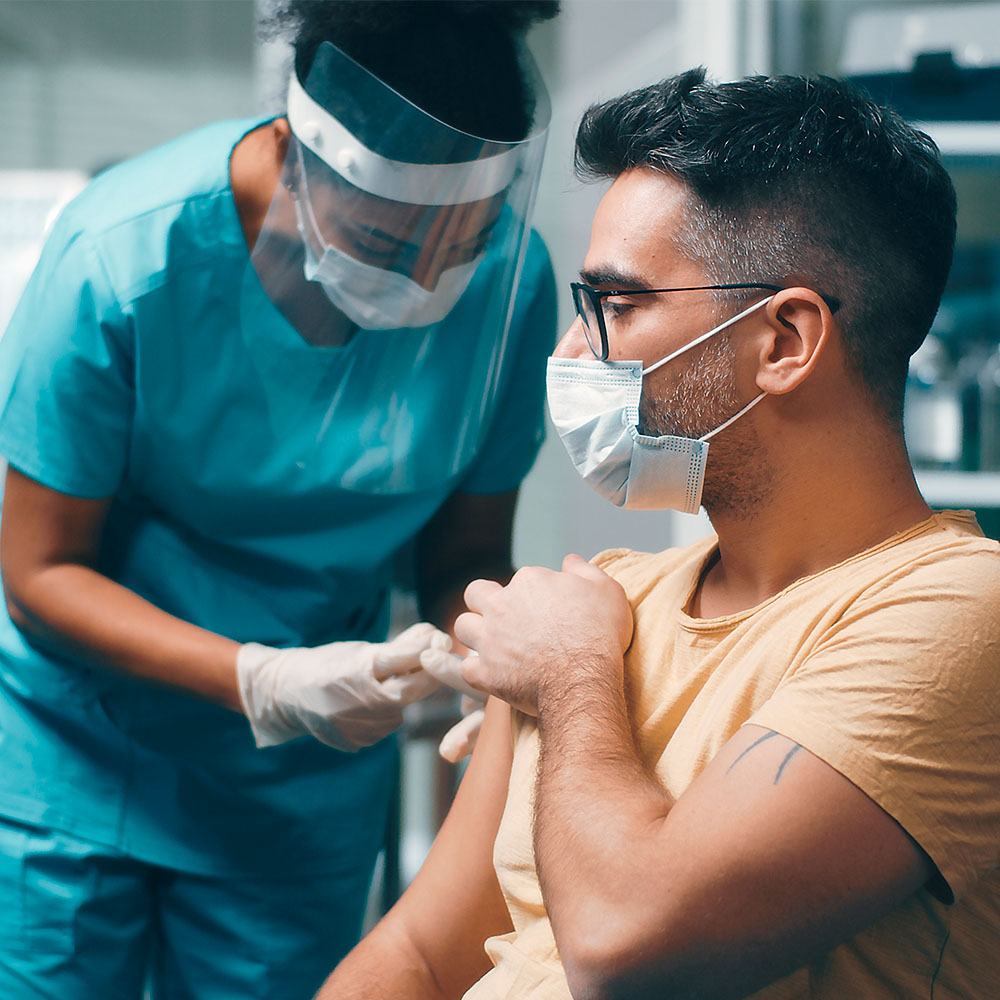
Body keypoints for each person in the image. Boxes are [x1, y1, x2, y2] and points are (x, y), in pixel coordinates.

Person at [318, 69, 1000, 999]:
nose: (573, 351)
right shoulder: (607, 600)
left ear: (786, 341)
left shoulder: (960, 611)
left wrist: (567, 686)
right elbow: (420, 957)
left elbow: (628, 950)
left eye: (618, 305)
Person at [0, 2, 558, 997]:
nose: (423, 284)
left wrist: (487, 672)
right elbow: (40, 569)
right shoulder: (123, 254)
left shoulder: (510, 290)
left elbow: (461, 556)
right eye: (385, 241)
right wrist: (261, 679)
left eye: (456, 246)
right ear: (296, 158)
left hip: (298, 797)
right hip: (82, 761)